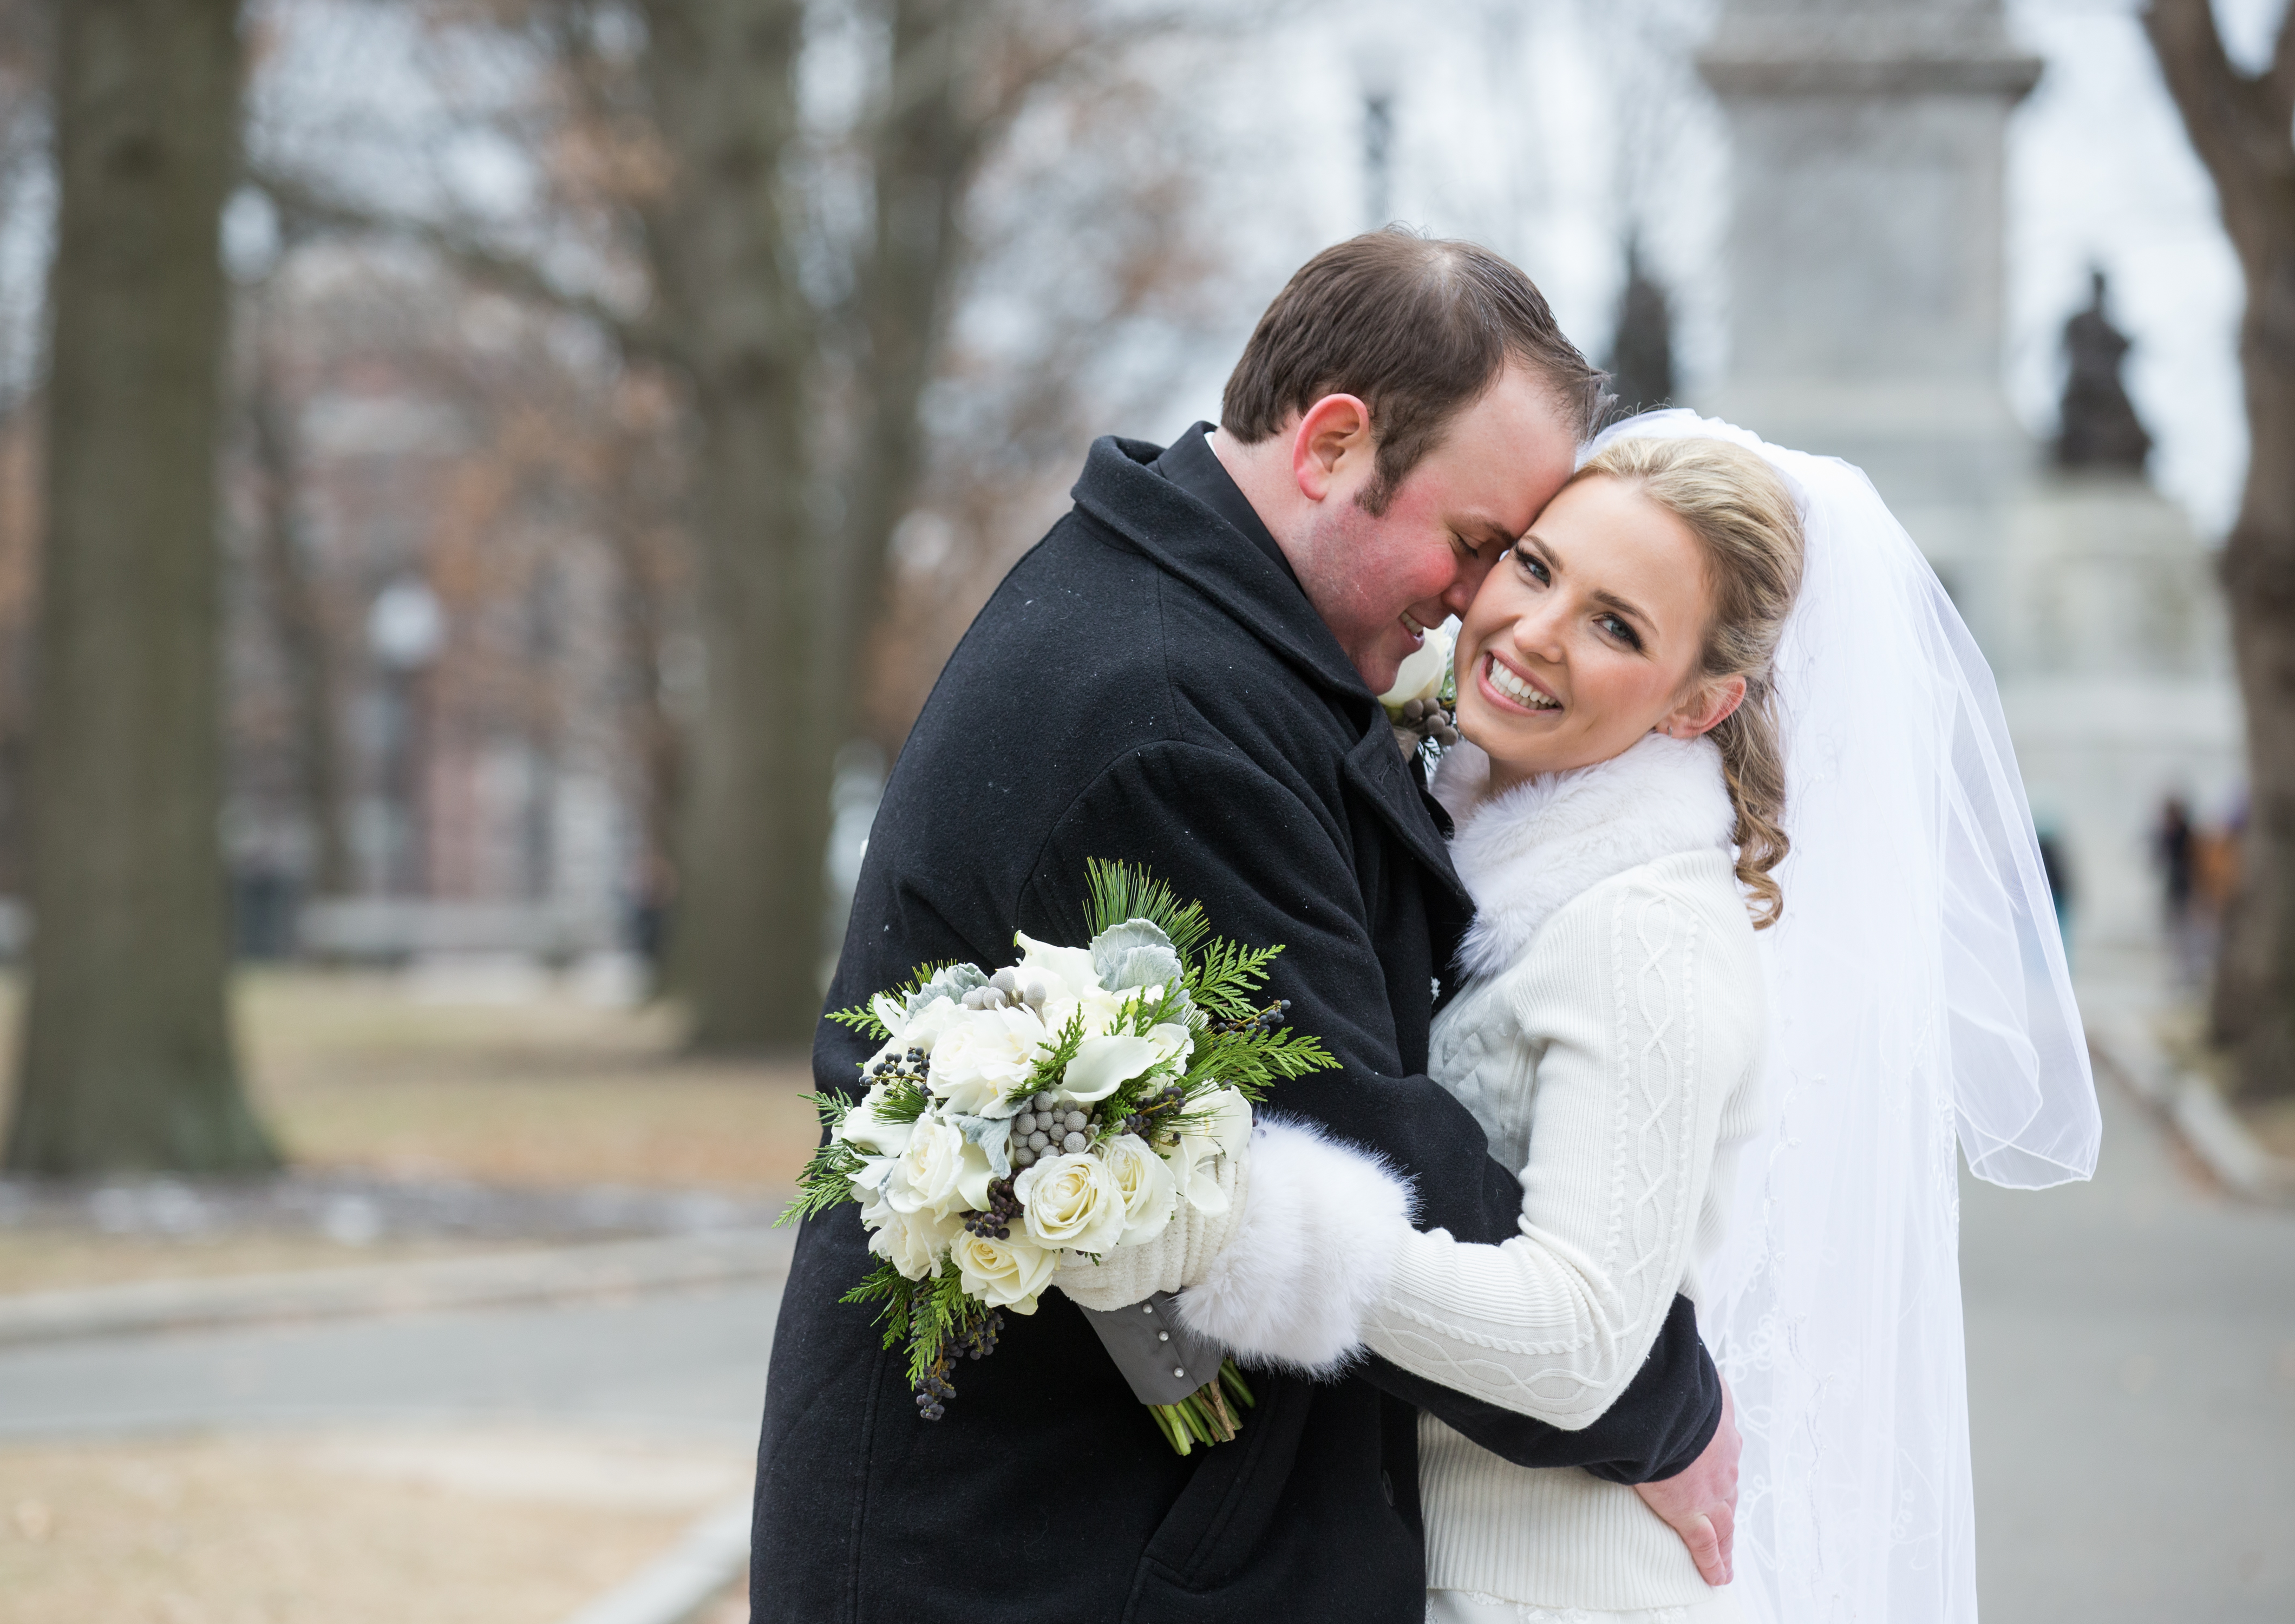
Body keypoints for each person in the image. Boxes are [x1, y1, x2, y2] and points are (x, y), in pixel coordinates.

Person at [749, 233, 1738, 1622]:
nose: (1479, 604)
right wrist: (1664, 1403)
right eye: (1475, 547)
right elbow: (1373, 1155)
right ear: (1334, 443)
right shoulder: (1163, 716)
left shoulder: (1204, 623)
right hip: (1035, 1556)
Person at [1073, 416, 2103, 1624]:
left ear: (1697, 704)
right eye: (1536, 566)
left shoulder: (1644, 937)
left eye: (1618, 626)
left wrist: (1216, 1220)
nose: (1537, 633)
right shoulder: (1445, 830)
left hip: (1547, 1592)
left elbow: (1575, 1344)